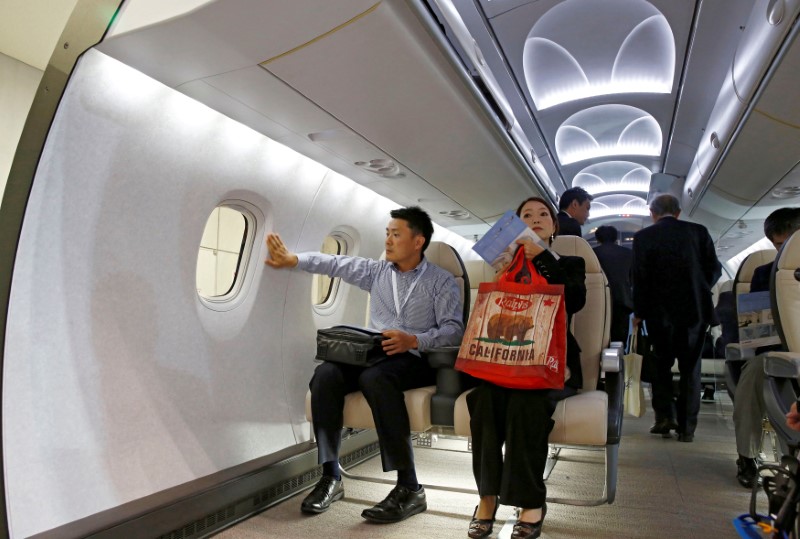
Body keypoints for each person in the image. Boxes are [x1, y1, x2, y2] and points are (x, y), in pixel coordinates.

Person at [265, 206, 464, 522]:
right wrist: (295, 260)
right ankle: (331, 476)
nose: (388, 240)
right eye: (387, 233)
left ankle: (410, 486)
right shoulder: (377, 272)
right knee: (325, 374)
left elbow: (454, 329)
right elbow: (336, 264)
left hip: (416, 358)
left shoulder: (441, 282)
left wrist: (413, 339)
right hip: (374, 354)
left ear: (418, 241)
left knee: (376, 379)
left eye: (396, 234)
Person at [465, 197, 586, 539]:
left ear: (554, 225)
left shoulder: (572, 262)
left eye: (543, 214)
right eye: (526, 215)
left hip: (551, 365)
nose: (536, 219)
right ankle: (486, 498)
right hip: (505, 362)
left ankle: (531, 501)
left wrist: (543, 259)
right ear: (516, 224)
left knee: (526, 405)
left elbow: (574, 300)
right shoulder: (504, 265)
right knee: (484, 402)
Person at [631, 194, 721, 443]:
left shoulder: (643, 237)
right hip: (694, 312)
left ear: (653, 213)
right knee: (691, 369)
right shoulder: (699, 232)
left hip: (659, 313)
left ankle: (664, 417)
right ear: (678, 212)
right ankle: (687, 428)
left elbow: (640, 277)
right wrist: (700, 287)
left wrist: (639, 312)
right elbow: (715, 268)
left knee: (660, 366)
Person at [733, 207, 800, 488]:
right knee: (752, 379)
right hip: (774, 350)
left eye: (789, 242)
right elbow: (756, 329)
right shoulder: (763, 273)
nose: (782, 250)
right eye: (777, 244)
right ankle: (747, 456)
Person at [593, 225, 633, 343]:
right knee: (619, 339)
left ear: (597, 239)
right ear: (615, 238)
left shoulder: (592, 253)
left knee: (599, 338)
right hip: (622, 301)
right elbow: (633, 279)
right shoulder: (628, 253)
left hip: (598, 301)